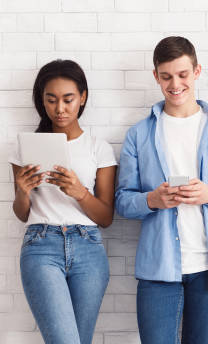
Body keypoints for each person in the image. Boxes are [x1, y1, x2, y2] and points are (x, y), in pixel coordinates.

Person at [114, 36, 208, 344]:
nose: (175, 84)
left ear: (197, 71)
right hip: (157, 268)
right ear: (156, 77)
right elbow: (122, 201)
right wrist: (152, 199)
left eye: (183, 74)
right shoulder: (139, 134)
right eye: (166, 76)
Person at [10, 59, 116, 344]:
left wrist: (79, 192)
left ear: (82, 98)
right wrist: (23, 191)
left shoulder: (98, 148)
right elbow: (22, 214)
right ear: (41, 101)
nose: (60, 108)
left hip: (88, 248)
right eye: (51, 100)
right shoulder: (25, 146)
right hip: (41, 245)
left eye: (68, 99)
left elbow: (106, 218)